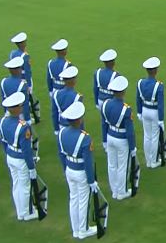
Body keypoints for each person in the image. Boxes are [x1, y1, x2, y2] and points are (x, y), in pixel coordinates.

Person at [58, 101, 100, 239]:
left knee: (73, 199)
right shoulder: (85, 137)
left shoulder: (62, 133)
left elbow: (62, 154)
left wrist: (66, 169)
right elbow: (88, 161)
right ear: (79, 119)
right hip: (81, 171)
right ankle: (83, 230)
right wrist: (91, 180)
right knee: (83, 201)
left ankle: (75, 229)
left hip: (69, 168)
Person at [0, 92, 39, 221]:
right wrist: (31, 167)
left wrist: (8, 154)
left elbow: (3, 142)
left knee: (16, 184)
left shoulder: (3, 121)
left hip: (10, 155)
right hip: (21, 158)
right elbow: (26, 151)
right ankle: (26, 213)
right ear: (17, 108)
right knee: (25, 186)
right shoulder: (23, 126)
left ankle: (20, 211)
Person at [100, 76, 137, 199]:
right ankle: (121, 192)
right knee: (122, 166)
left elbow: (104, 123)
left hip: (110, 136)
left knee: (112, 164)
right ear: (123, 91)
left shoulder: (105, 104)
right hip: (121, 139)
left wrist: (104, 140)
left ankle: (114, 190)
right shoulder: (126, 109)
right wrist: (133, 147)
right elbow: (129, 131)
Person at [136, 57, 166, 168]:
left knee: (147, 136)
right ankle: (153, 161)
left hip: (144, 110)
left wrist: (139, 112)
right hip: (154, 112)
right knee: (154, 136)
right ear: (155, 71)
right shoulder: (159, 85)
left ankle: (148, 160)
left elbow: (137, 98)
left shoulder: (140, 83)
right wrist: (161, 119)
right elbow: (161, 105)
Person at [1, 56, 32, 124]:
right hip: (19, 114)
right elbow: (25, 104)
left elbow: (3, 99)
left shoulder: (3, 82)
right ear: (19, 70)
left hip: (8, 112)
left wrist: (6, 111)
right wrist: (27, 119)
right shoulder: (22, 84)